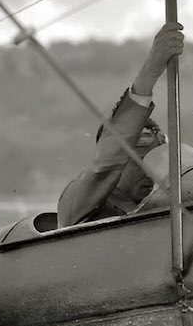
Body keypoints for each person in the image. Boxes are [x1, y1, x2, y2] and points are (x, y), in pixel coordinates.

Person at [57, 22, 185, 228]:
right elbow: (107, 159)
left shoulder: (166, 212)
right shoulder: (77, 203)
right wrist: (152, 69)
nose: (151, 173)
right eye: (140, 161)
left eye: (158, 163)